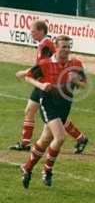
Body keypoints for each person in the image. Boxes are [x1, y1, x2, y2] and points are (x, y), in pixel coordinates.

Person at [10, 20, 89, 154]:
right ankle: (25, 142)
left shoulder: (46, 45)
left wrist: (24, 73)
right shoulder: (43, 44)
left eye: (33, 31)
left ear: (41, 31)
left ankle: (80, 138)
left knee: (53, 117)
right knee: (32, 111)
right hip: (44, 83)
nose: (31, 33)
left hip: (48, 84)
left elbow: (43, 66)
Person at [19, 35, 87, 188]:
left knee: (45, 140)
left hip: (65, 104)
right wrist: (42, 86)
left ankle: (27, 168)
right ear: (56, 47)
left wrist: (76, 81)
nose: (67, 50)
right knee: (60, 137)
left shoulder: (76, 63)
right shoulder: (45, 64)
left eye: (69, 46)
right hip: (48, 103)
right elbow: (29, 77)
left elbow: (84, 84)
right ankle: (47, 170)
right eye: (64, 46)